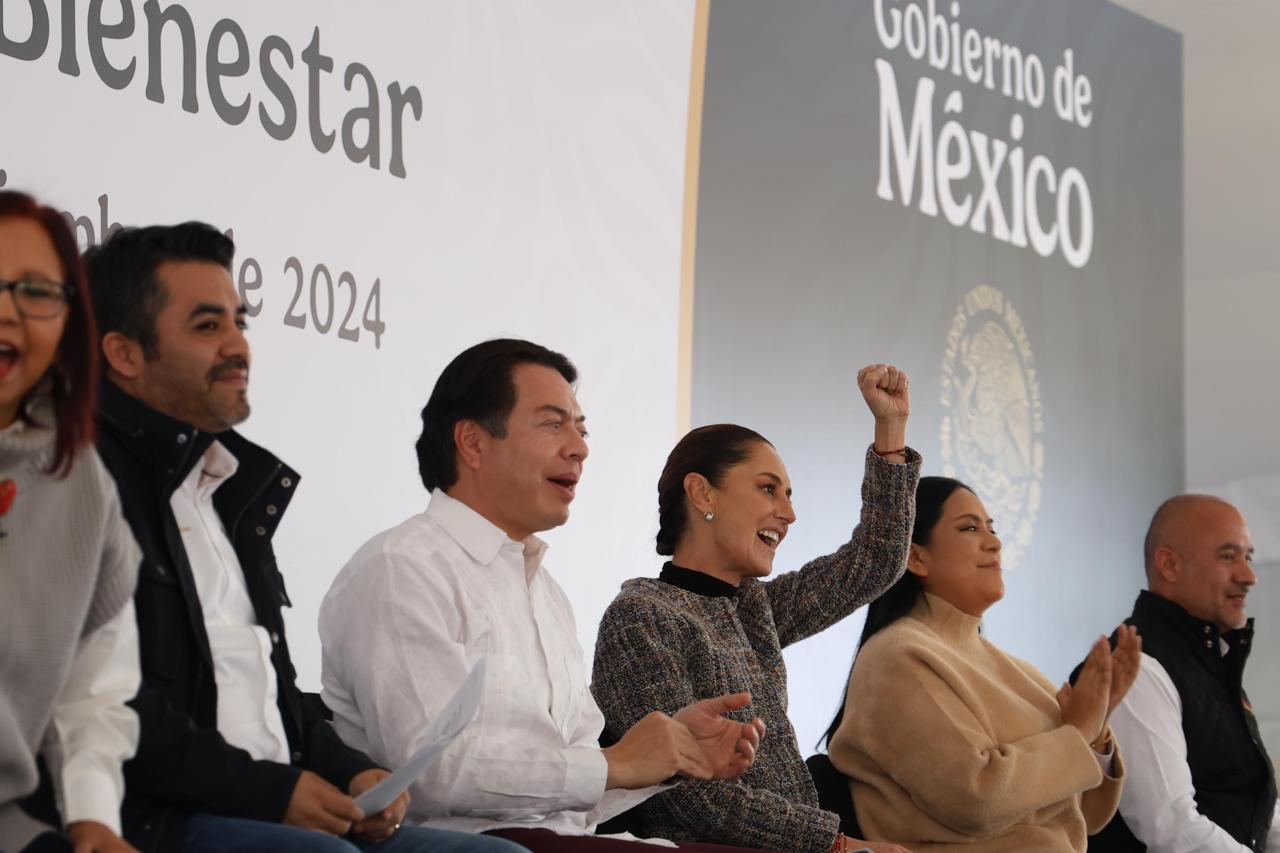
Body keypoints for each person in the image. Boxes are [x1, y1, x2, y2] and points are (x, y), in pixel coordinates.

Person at [84, 225, 526, 853]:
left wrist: (351, 773)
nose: (239, 346)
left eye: (240, 322)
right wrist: (271, 794)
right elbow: (112, 705)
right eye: (207, 327)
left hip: (270, 805)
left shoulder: (230, 493)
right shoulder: (83, 486)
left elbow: (271, 691)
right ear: (125, 353)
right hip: (161, 818)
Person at [319, 338, 775, 853]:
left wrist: (669, 760)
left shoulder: (545, 592)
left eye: (581, 429)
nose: (579, 447)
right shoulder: (402, 568)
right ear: (471, 443)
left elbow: (568, 795)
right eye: (553, 424)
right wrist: (616, 762)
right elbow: (432, 775)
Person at [590, 364, 919, 853]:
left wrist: (890, 433)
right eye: (769, 489)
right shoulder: (641, 616)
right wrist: (836, 844)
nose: (788, 513)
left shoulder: (753, 608)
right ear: (702, 493)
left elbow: (872, 562)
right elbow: (687, 793)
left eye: (788, 495)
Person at [825, 477, 1139, 852]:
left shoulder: (1015, 669)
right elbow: (976, 798)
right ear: (917, 558)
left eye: (992, 528)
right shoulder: (897, 656)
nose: (994, 542)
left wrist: (1097, 728)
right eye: (970, 528)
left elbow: (1087, 816)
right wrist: (1079, 730)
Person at [0, 190, 140, 853]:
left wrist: (92, 819)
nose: (5, 310)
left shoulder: (83, 484)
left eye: (34, 291)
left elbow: (90, 693)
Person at [1090, 495, 1278, 852]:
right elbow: (1171, 829)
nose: (1249, 575)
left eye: (1248, 557)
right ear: (1170, 565)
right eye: (1228, 556)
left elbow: (1257, 805)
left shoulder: (1209, 662)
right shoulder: (1139, 669)